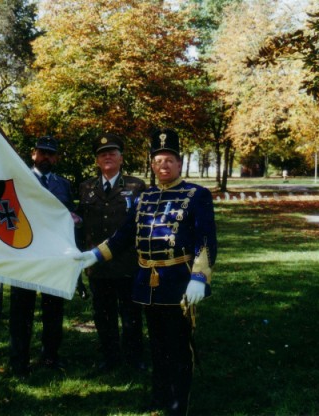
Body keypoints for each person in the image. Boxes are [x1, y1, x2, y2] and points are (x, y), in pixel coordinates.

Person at [76, 128, 217, 416]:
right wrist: (92, 256)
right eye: (157, 161)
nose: (163, 165)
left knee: (178, 346)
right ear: (152, 165)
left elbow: (206, 240)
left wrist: (199, 278)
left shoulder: (197, 195)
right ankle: (160, 395)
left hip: (179, 282)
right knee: (157, 345)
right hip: (147, 286)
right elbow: (121, 237)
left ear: (179, 164)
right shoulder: (144, 198)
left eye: (168, 160)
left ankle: (178, 404)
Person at [8, 135, 79, 376]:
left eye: (50, 154)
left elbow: (68, 213)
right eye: (42, 152)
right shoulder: (18, 180)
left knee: (53, 311)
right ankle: (19, 361)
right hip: (24, 256)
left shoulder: (63, 185)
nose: (46, 157)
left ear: (56, 157)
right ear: (33, 154)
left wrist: (74, 219)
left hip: (54, 257)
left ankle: (50, 357)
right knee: (21, 312)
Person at [76, 133, 146, 372]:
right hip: (98, 265)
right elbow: (80, 222)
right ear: (97, 161)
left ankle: (134, 358)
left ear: (121, 158)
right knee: (103, 315)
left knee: (131, 315)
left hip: (128, 263)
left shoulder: (136, 186)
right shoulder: (86, 187)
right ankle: (109, 357)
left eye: (112, 153)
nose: (107, 156)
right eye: (102, 154)